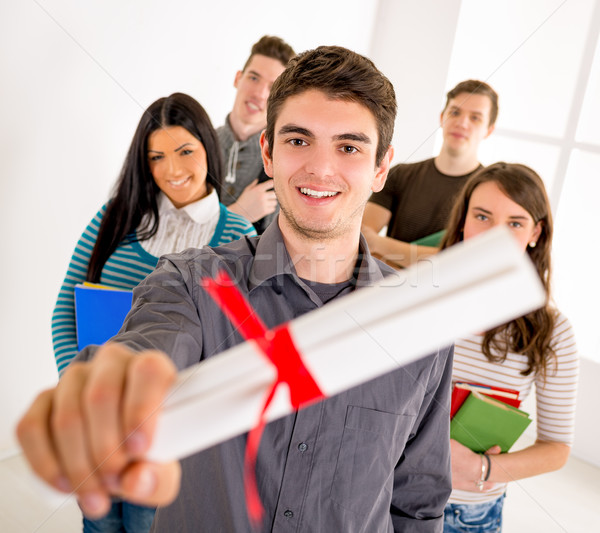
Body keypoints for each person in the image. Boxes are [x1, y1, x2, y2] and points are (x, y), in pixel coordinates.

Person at [19, 46, 453, 532]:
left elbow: (417, 502)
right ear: (267, 152)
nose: (321, 169)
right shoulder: (188, 284)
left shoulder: (421, 325)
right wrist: (107, 390)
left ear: (381, 167)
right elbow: (148, 349)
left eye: (349, 147)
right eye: (298, 140)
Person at [50, 92, 256, 532]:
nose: (172, 170)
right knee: (99, 526)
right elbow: (65, 309)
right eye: (156, 157)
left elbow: (241, 340)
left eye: (185, 151)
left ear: (209, 148)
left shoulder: (238, 234)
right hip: (101, 421)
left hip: (174, 434)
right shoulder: (115, 217)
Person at [439, 163, 579, 532]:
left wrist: (482, 469)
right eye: (482, 216)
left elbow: (557, 448)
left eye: (515, 223)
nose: (494, 235)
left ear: (536, 232)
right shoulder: (418, 296)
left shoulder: (553, 331)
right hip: (383, 496)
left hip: (466, 516)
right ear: (463, 221)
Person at [362, 79, 498, 268]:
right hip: (390, 290)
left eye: (475, 117)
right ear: (442, 117)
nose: (462, 123)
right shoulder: (401, 175)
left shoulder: (487, 191)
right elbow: (362, 240)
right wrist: (429, 257)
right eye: (455, 112)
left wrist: (382, 245)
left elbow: (461, 262)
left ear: (489, 130)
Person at [217, 35, 295, 233]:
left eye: (272, 87)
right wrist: (237, 215)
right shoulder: (196, 145)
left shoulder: (285, 162)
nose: (259, 94)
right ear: (237, 78)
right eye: (254, 78)